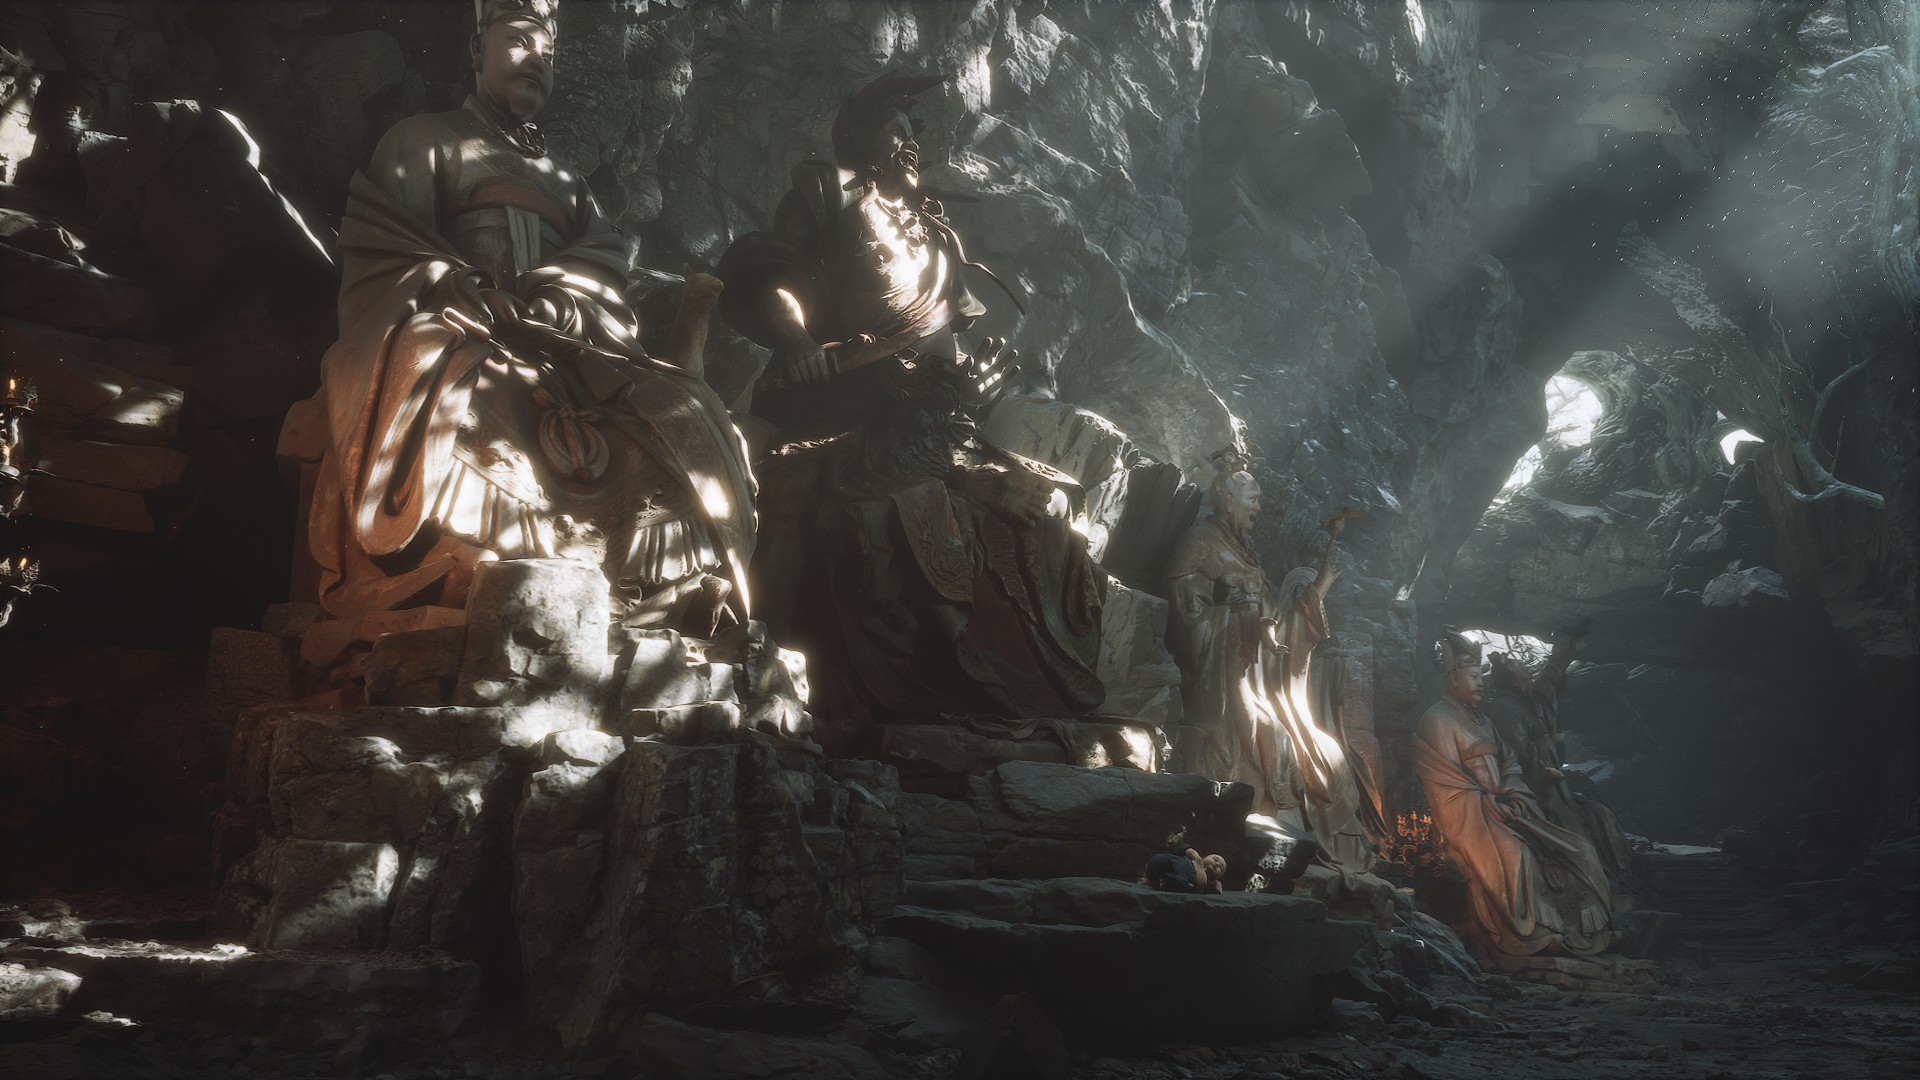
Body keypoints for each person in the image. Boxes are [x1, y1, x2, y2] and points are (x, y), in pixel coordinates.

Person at [307, 0, 756, 635]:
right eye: (518, 42)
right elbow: (388, 249)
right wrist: (466, 290)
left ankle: (649, 587)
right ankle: (479, 559)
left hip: (562, 342)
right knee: (453, 379)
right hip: (464, 328)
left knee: (685, 405)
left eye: (548, 53)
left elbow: (601, 265)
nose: (536, 61)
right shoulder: (422, 139)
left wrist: (561, 302)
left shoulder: (566, 180)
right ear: (476, 51)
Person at [716, 71, 1105, 728]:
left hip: (930, 423)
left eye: (912, 132)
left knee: (1054, 504)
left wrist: (967, 388)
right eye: (895, 130)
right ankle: (771, 660)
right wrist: (798, 340)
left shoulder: (937, 239)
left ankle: (1029, 693)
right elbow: (771, 270)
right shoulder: (831, 191)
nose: (910, 142)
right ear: (860, 141)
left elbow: (947, 344)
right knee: (865, 505)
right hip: (838, 409)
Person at [1163, 451, 1377, 875]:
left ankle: (1296, 836)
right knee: (1273, 732)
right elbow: (1185, 613)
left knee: (1320, 749)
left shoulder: (1246, 556)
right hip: (1221, 678)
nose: (1259, 507)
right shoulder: (1199, 543)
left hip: (1255, 676)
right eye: (1253, 499)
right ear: (1229, 501)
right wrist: (1238, 619)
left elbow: (1276, 631)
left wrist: (1318, 588)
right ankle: (1256, 829)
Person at [1414, 628, 1618, 969]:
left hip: (1510, 809)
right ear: (1453, 679)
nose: (1481, 684)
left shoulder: (1485, 722)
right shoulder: (1438, 719)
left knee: (1576, 849)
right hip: (1472, 817)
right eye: (1473, 677)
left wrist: (1515, 798)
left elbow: (1510, 763)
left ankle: (1582, 931)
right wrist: (1490, 806)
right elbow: (1446, 784)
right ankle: (1533, 933)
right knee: (1516, 853)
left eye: (1481, 676)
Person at [1483, 630, 1637, 890]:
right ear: (1513, 679)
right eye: (1523, 670)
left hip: (1554, 787)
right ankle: (1593, 886)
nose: (1529, 673)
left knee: (1601, 815)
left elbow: (1549, 680)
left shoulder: (1528, 700)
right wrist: (1548, 742)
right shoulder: (1505, 709)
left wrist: (1570, 652)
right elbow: (1515, 756)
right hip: (1532, 793)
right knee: (1573, 831)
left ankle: (1617, 877)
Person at [1145, 846, 1227, 893]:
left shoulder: (1209, 883)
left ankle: (1162, 883)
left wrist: (1217, 888)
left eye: (1221, 867)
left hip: (1182, 879)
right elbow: (1182, 847)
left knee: (1182, 883)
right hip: (1169, 863)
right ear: (1205, 857)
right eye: (1215, 859)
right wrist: (1193, 853)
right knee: (1178, 862)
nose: (1217, 864)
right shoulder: (1195, 859)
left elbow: (1215, 890)